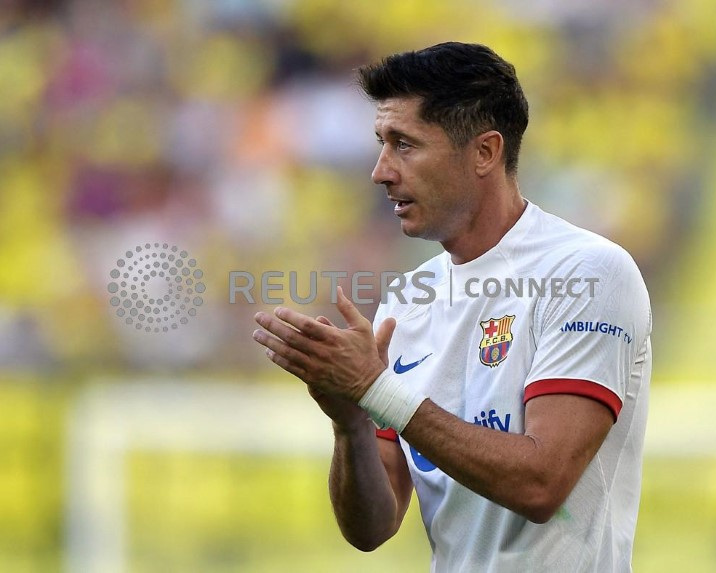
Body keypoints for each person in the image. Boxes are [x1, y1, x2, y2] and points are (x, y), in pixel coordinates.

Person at [252, 42, 651, 572]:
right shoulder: (408, 301)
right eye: (380, 143)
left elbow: (541, 484)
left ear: (485, 152)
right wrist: (349, 423)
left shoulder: (586, 272)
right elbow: (373, 527)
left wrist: (375, 389)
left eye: (404, 145)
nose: (380, 171)